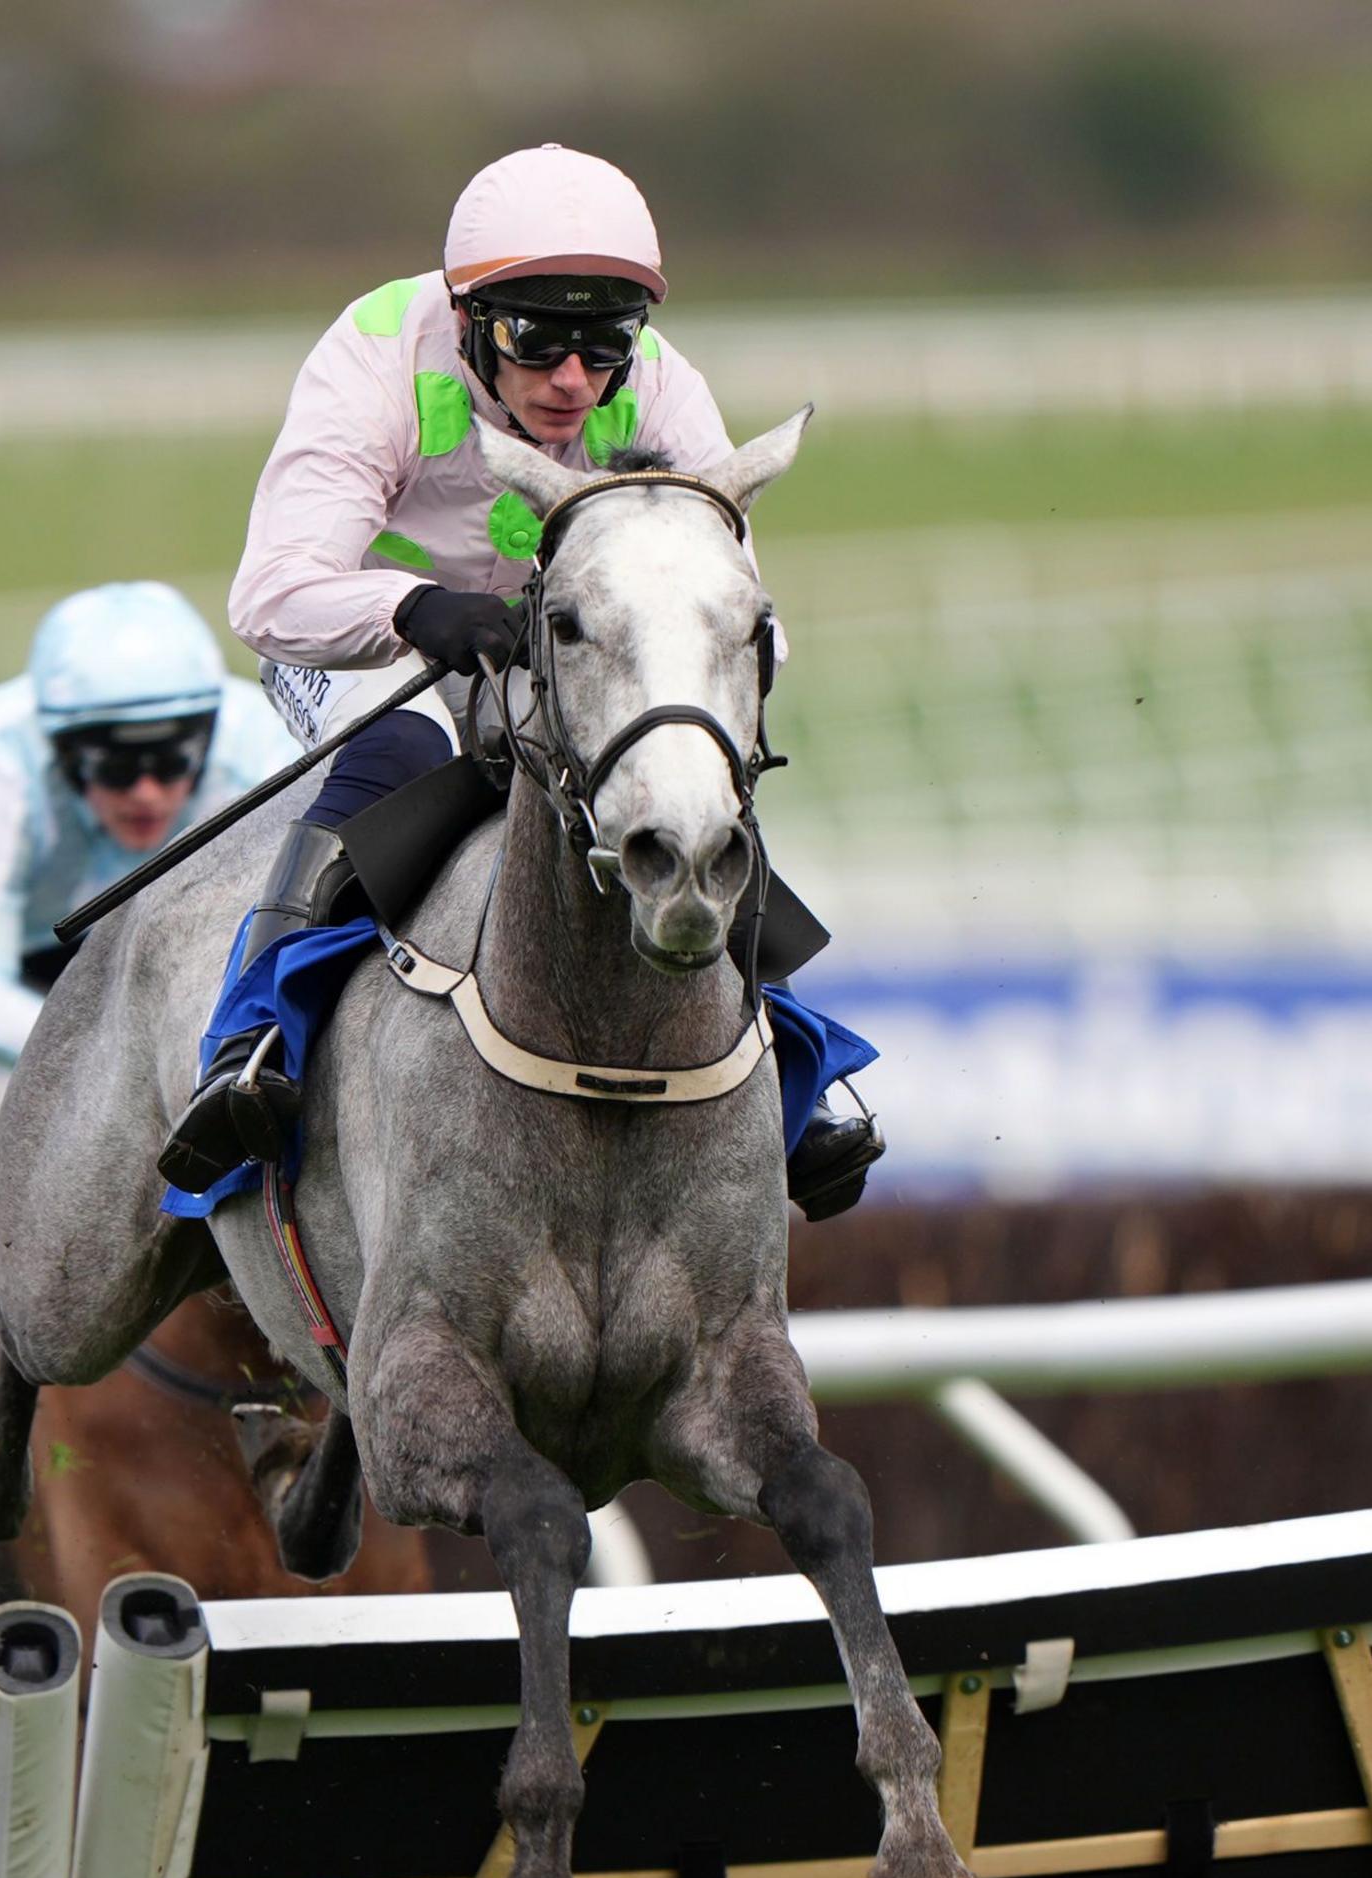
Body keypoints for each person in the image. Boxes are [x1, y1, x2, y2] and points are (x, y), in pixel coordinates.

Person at [155, 141, 882, 1220]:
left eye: (603, 346)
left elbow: (737, 610)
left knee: (675, 766)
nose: (575, 381)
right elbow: (269, 594)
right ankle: (252, 1041)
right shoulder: (374, 358)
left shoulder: (664, 389)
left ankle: (793, 1058)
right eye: (537, 342)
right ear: (468, 321)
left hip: (553, 649)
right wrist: (411, 610)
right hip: (360, 647)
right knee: (411, 749)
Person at [0, 581, 296, 1510]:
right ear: (58, 751)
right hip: (11, 975)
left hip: (163, 965)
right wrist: (100, 1062)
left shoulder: (257, 745)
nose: (149, 792)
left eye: (172, 764)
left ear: (210, 735)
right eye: (115, 770)